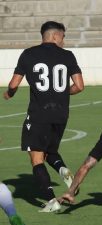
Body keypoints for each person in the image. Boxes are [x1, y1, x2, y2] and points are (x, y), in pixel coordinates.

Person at [3, 21, 84, 212]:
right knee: (50, 152)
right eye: (63, 37)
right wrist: (62, 93)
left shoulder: (28, 54)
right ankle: (62, 169)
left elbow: (14, 84)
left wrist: (9, 93)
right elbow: (79, 86)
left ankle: (51, 201)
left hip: (39, 114)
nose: (64, 41)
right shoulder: (68, 56)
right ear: (55, 36)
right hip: (62, 114)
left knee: (37, 159)